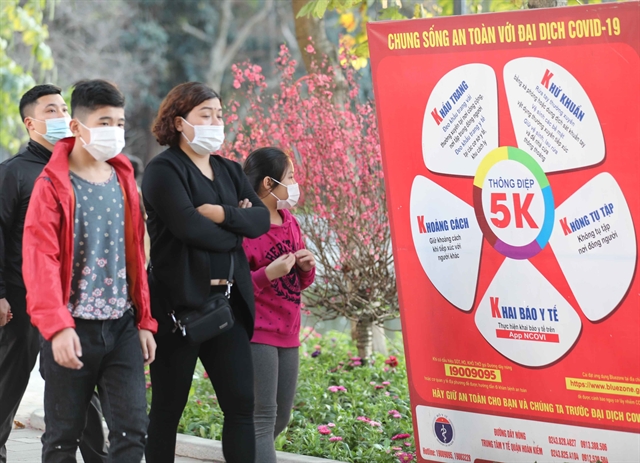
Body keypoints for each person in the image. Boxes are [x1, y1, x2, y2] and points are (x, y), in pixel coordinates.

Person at [21, 79, 157, 462]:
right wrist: (57, 327)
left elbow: (135, 256)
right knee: (63, 438)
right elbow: (40, 260)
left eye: (119, 123)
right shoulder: (50, 186)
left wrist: (144, 321)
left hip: (121, 327)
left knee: (132, 434)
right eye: (104, 122)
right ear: (77, 127)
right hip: (71, 326)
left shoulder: (125, 177)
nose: (114, 132)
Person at [143, 82, 270, 463]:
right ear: (180, 122)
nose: (217, 122)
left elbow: (260, 220)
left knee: (241, 405)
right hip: (178, 305)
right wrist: (237, 225)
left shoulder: (230, 169)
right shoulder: (163, 170)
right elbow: (188, 228)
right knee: (168, 407)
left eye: (219, 114)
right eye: (205, 115)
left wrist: (223, 215)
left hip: (227, 304)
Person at [0, 84, 109, 463]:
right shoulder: (14, 173)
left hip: (76, 299)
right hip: (22, 298)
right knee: (10, 381)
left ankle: (99, 457)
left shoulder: (80, 168)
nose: (62, 116)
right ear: (31, 123)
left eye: (64, 108)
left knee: (81, 379)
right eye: (51, 110)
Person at [242, 147, 316, 463]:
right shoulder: (246, 224)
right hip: (257, 332)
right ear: (268, 184)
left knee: (281, 418)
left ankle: (242, 452)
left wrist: (306, 267)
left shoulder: (290, 221)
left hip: (289, 330)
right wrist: (267, 274)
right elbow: (236, 285)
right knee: (262, 419)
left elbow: (300, 283)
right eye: (290, 177)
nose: (295, 183)